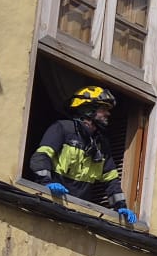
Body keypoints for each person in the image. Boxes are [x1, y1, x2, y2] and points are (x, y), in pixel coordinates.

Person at [28, 86, 137, 226]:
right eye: (103, 109)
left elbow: (111, 180)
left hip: (78, 215)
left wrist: (121, 206)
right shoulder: (62, 128)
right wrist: (46, 184)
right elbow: (40, 157)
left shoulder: (101, 144)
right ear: (88, 109)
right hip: (50, 205)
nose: (108, 114)